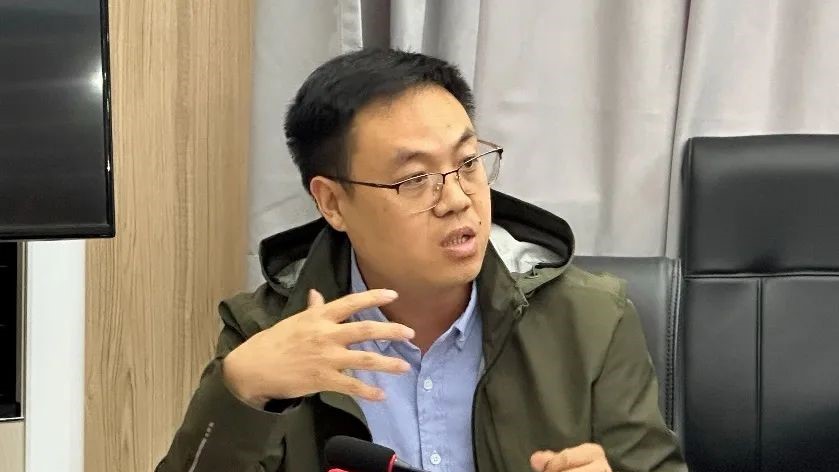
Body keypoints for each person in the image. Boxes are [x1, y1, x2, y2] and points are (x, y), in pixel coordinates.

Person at [157, 48, 686, 472]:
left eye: (468, 162)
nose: (456, 198)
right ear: (333, 203)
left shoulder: (590, 321)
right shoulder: (269, 331)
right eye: (414, 179)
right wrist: (239, 390)